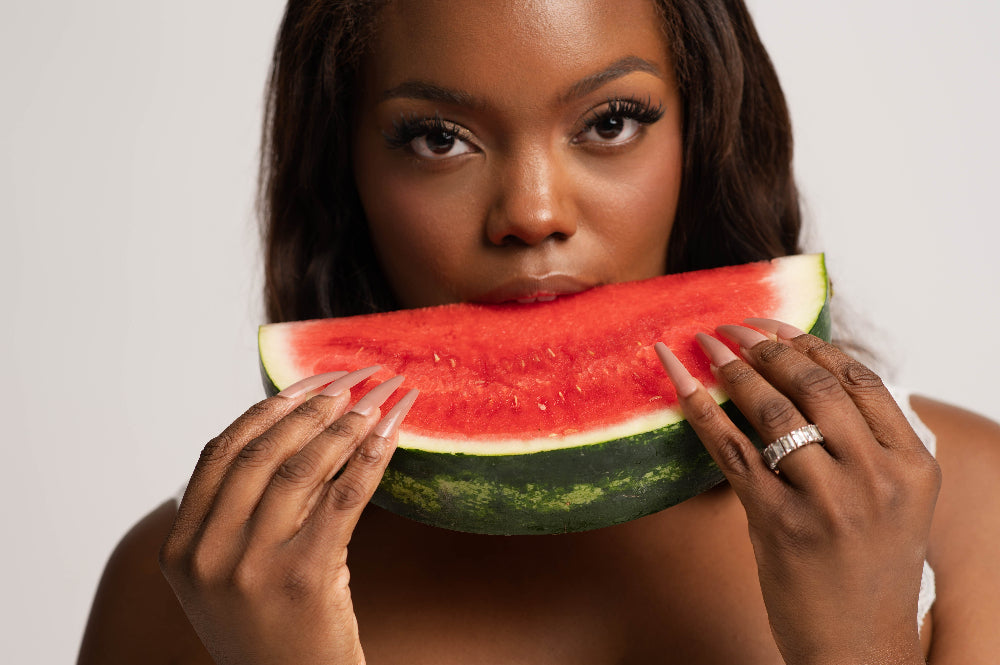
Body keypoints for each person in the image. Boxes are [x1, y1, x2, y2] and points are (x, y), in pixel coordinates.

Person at [78, 1, 1000, 663]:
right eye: (437, 138)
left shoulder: (962, 510)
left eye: (611, 121)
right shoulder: (191, 588)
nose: (532, 212)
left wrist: (864, 646)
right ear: (342, 166)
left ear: (705, 131)